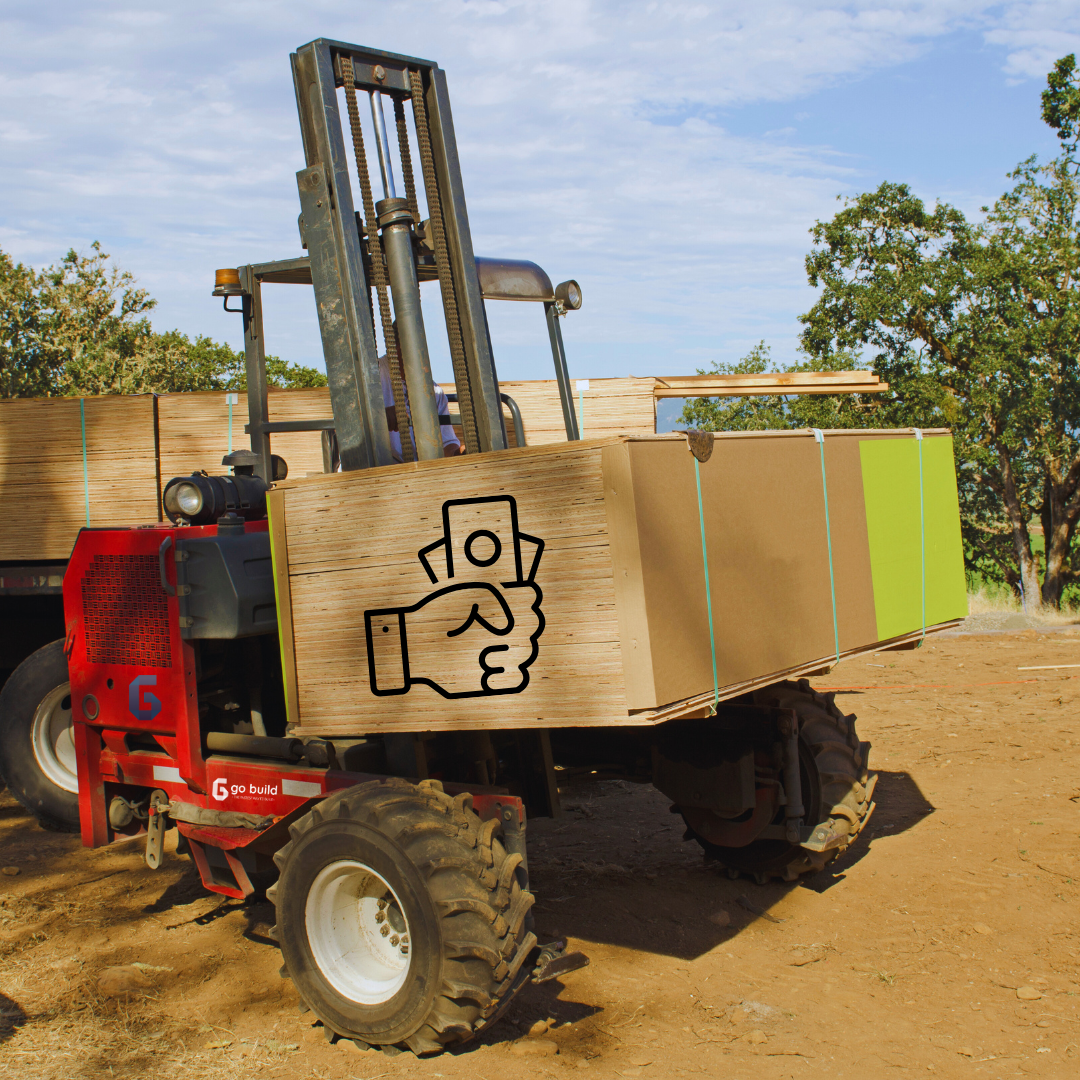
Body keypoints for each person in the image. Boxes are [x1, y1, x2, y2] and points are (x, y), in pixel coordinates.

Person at [379, 353, 463, 461]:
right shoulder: (371, 377)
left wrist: (457, 454)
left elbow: (447, 442)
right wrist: (380, 417)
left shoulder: (434, 392)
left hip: (424, 470)